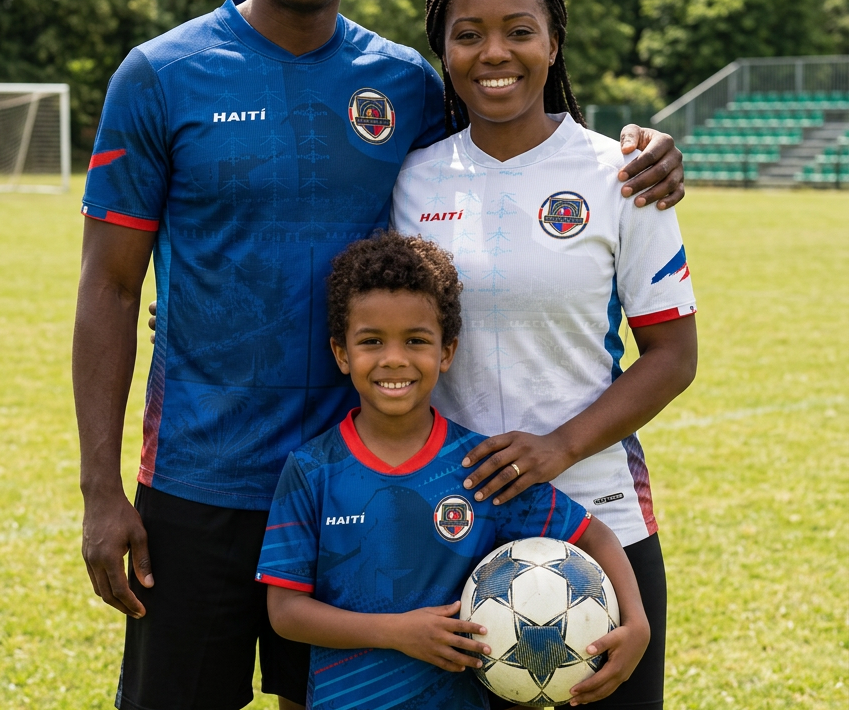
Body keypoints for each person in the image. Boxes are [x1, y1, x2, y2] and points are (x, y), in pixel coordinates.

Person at [73, 0, 685, 710]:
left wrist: (648, 151)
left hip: (365, 482)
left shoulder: (401, 83)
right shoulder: (159, 75)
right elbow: (108, 286)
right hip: (199, 483)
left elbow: (510, 146)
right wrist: (101, 490)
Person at [390, 0, 699, 708]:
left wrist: (558, 446)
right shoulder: (411, 177)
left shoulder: (621, 174)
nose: (495, 52)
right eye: (468, 33)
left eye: (518, 30)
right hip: (448, 533)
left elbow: (672, 355)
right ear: (444, 52)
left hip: (600, 528)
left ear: (553, 42)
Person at [257, 231, 650, 710]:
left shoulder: (480, 466)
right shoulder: (312, 469)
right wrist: (397, 632)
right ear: (342, 353)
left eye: (416, 340)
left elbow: (594, 536)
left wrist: (636, 621)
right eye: (372, 341)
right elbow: (286, 612)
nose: (394, 358)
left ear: (446, 351)